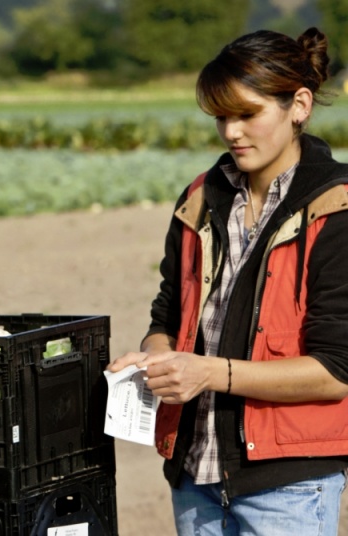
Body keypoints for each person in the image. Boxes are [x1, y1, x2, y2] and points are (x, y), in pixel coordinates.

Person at [107, 27, 348, 535]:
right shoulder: (200, 196)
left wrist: (208, 373)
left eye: (247, 114)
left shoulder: (337, 209)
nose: (231, 132)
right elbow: (167, 315)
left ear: (299, 105)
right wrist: (157, 358)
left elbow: (335, 370)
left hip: (288, 488)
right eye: (221, 116)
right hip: (194, 475)